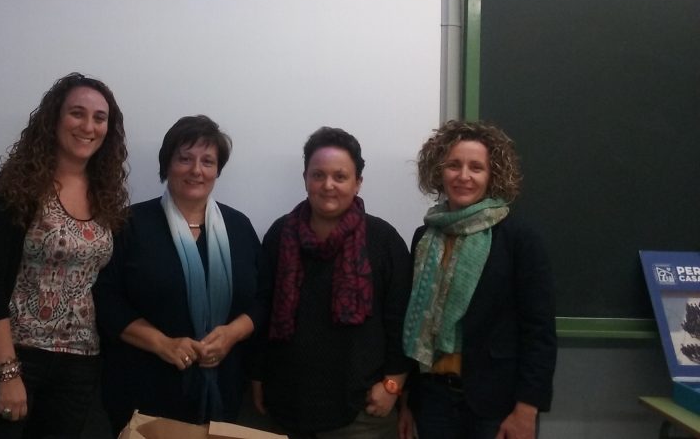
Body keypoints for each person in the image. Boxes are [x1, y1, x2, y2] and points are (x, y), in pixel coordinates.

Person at [0, 72, 129, 439]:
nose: (88, 126)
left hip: (77, 368)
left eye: (99, 118)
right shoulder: (16, 187)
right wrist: (7, 372)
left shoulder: (106, 195)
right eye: (77, 113)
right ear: (53, 119)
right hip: (9, 359)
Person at [93, 115, 266, 435]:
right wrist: (162, 343)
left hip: (224, 392)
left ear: (217, 170)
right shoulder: (130, 224)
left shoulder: (239, 228)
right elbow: (104, 299)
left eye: (207, 161)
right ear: (167, 165)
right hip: (143, 391)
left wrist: (232, 334)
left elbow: (263, 298)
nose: (196, 170)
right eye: (185, 158)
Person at [400, 120, 556, 439]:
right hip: (432, 401)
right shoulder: (425, 237)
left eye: (476, 167)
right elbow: (413, 324)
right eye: (453, 165)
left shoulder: (519, 239)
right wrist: (407, 402)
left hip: (496, 406)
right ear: (439, 172)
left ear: (492, 175)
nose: (464, 176)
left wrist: (527, 410)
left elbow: (538, 331)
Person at [252, 127, 412, 439]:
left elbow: (402, 321)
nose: (328, 185)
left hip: (361, 414)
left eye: (340, 176)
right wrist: (257, 376)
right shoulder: (280, 234)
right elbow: (263, 308)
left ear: (358, 182)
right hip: (285, 406)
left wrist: (393, 385)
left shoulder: (383, 240)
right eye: (318, 175)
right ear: (305, 179)